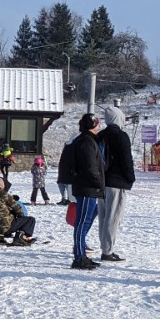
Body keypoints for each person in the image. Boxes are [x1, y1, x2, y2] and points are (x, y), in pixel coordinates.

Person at [58, 113, 105, 270]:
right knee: (82, 222)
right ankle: (79, 257)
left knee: (84, 221)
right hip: (86, 187)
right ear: (92, 125)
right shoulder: (85, 142)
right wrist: (98, 182)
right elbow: (90, 167)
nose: (99, 127)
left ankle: (81, 254)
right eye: (97, 124)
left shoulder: (88, 140)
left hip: (88, 187)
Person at [98, 106, 136, 263]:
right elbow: (126, 159)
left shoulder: (100, 136)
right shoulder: (121, 136)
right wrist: (130, 178)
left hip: (101, 181)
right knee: (113, 217)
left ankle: (104, 246)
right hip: (117, 181)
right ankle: (107, 250)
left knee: (103, 216)